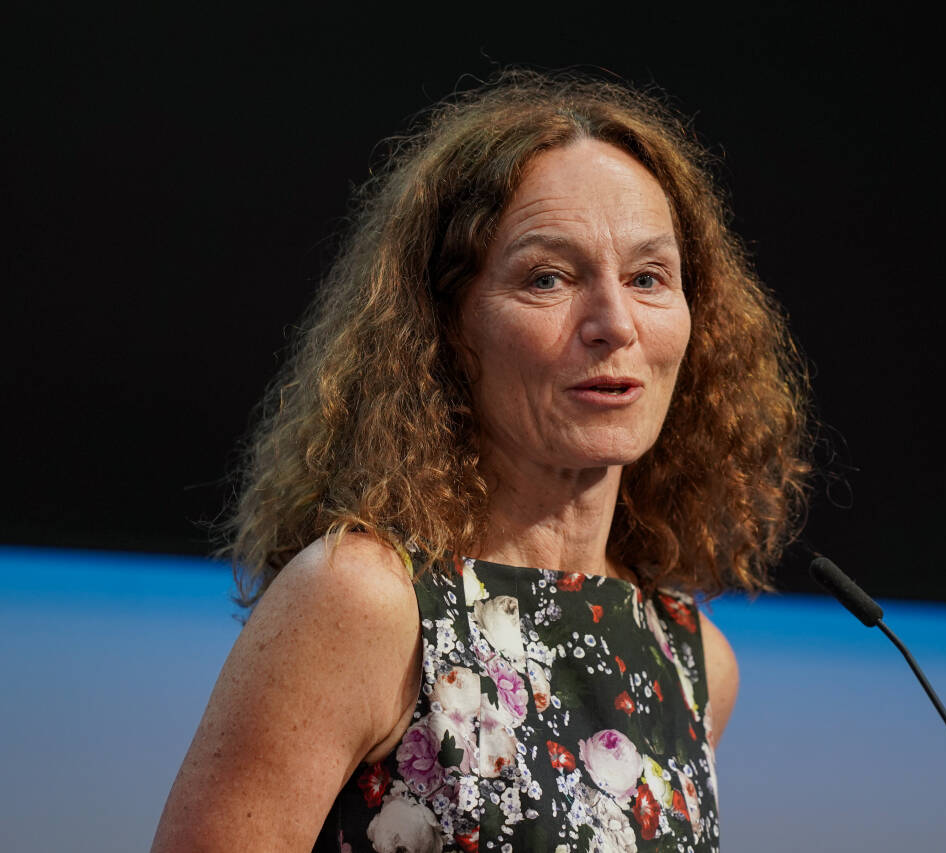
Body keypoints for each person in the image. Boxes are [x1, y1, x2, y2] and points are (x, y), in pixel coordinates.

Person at [153, 70, 810, 853]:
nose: (614, 322)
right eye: (549, 278)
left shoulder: (693, 658)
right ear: (450, 328)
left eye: (647, 278)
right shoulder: (364, 603)